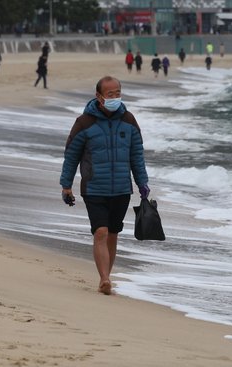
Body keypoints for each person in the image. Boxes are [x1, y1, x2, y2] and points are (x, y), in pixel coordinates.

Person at [59, 76, 150, 295]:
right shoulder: (84, 123)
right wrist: (66, 185)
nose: (115, 97)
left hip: (121, 189)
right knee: (100, 231)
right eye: (111, 94)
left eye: (118, 93)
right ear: (99, 97)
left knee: (113, 233)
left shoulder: (129, 121)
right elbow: (71, 156)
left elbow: (137, 155)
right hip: (94, 188)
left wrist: (142, 182)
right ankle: (105, 279)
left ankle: (106, 276)